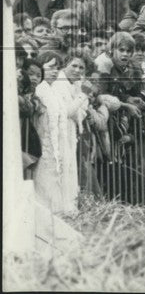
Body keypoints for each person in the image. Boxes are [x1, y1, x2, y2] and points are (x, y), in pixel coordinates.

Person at [33, 51, 90, 213]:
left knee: (64, 172)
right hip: (47, 137)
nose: (54, 72)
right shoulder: (46, 88)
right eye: (50, 67)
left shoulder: (55, 88)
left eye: (57, 68)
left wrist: (80, 101)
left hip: (63, 135)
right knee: (48, 175)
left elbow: (79, 112)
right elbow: (68, 112)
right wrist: (83, 96)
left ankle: (62, 210)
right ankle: (48, 212)